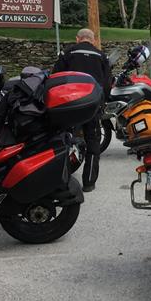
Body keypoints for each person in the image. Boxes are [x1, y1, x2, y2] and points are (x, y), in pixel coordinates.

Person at [53, 28, 112, 192]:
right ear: (92, 40)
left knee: (64, 140)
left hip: (70, 105)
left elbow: (56, 76)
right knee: (93, 143)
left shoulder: (67, 53)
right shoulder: (102, 56)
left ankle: (62, 180)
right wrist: (102, 101)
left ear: (78, 38)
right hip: (92, 106)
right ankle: (89, 182)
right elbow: (107, 83)